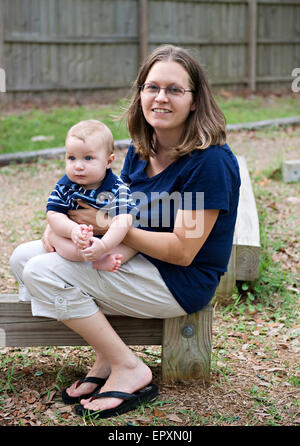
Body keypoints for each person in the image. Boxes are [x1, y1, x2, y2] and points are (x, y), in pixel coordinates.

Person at [9, 44, 241, 419]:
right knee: (24, 256)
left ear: (195, 101)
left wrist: (102, 228)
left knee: (40, 272)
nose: (160, 98)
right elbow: (109, 210)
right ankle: (105, 360)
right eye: (151, 87)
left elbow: (183, 251)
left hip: (178, 280)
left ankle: (129, 367)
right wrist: (70, 230)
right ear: (140, 93)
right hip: (134, 261)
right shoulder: (141, 149)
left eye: (174, 90)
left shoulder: (208, 163)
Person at [46, 119, 137, 273]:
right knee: (53, 236)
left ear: (108, 161)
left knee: (132, 246)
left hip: (110, 240)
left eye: (88, 158)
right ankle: (86, 256)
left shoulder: (117, 188)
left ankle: (103, 257)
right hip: (78, 241)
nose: (78, 166)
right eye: (71, 158)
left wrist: (104, 245)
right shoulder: (65, 185)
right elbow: (54, 213)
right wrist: (72, 230)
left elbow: (123, 219)